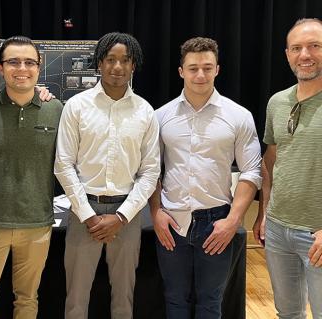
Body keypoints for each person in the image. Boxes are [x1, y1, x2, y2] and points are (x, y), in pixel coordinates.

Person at [149, 37, 261, 319]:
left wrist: (233, 221)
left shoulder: (239, 116)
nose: (200, 75)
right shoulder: (160, 116)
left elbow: (252, 171)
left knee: (211, 302)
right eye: (193, 68)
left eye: (207, 68)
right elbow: (150, 170)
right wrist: (156, 213)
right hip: (172, 222)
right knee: (174, 299)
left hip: (217, 222)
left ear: (217, 70)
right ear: (181, 71)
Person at [54, 32, 160, 319]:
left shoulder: (145, 112)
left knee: (124, 298)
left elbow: (150, 172)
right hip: (82, 212)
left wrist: (122, 216)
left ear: (133, 65)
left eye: (125, 60)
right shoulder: (77, 106)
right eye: (110, 59)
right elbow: (63, 165)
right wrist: (88, 215)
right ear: (99, 63)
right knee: (76, 298)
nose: (117, 66)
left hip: (127, 212)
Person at [0, 36, 63, 319]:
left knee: (28, 301)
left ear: (39, 68)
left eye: (29, 62)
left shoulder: (56, 110)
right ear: (1, 67)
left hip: (37, 224)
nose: (22, 68)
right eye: (13, 61)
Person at [253, 18, 322, 319]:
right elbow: (271, 160)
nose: (305, 54)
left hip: (318, 234)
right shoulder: (276, 103)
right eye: (297, 48)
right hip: (279, 231)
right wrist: (265, 212)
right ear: (287, 54)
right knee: (288, 313)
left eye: (315, 46)